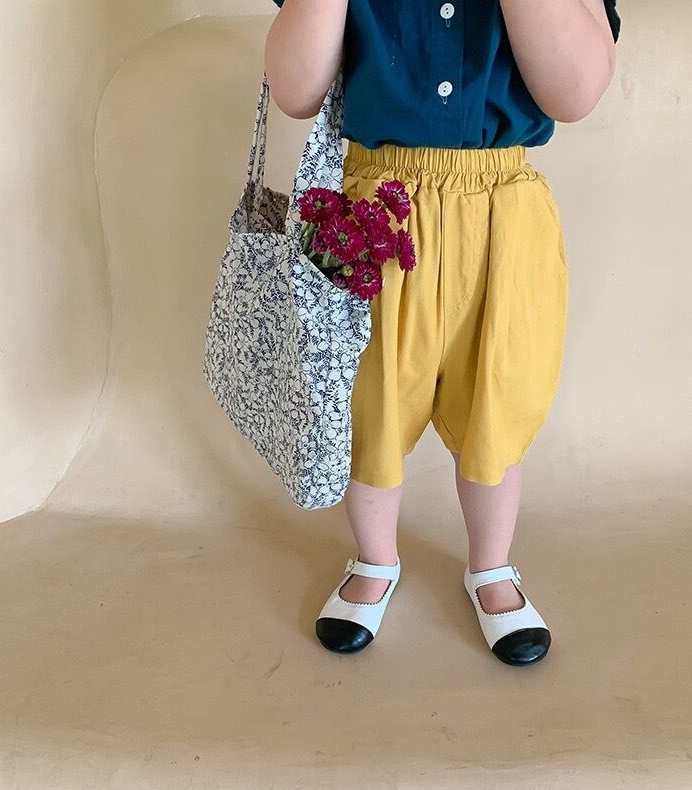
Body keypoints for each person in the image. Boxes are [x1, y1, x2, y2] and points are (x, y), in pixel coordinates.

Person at [265, 0, 620, 666]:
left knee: (497, 400)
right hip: (372, 210)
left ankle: (492, 565)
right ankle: (375, 558)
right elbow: (295, 90)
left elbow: (574, 93)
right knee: (366, 404)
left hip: (502, 216)